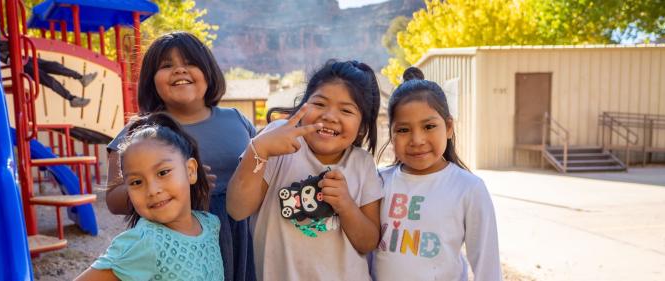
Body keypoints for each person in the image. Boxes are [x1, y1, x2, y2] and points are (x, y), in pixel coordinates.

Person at [105, 32, 256, 281]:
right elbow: (113, 199)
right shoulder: (140, 134)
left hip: (239, 234)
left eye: (190, 63)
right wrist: (169, 182)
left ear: (208, 71)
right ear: (151, 80)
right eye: (166, 66)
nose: (179, 70)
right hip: (174, 239)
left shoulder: (238, 121)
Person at [227, 60, 383, 280]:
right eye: (319, 104)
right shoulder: (277, 140)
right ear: (303, 106)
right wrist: (259, 150)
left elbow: (368, 243)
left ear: (362, 128)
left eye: (346, 110)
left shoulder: (362, 164)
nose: (329, 116)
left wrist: (346, 205)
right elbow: (237, 209)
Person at [372, 67, 502, 281]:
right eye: (403, 130)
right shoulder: (378, 181)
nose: (417, 140)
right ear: (391, 133)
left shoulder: (469, 188)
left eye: (429, 126)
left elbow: (487, 265)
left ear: (449, 127)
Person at [75, 113, 223, 281]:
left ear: (190, 171)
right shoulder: (144, 242)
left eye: (163, 172)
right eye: (137, 182)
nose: (152, 190)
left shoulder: (210, 224)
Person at [0, 41, 95, 108]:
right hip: (16, 61)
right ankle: (72, 99)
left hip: (21, 57)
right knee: (48, 80)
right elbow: (3, 50)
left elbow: (10, 44)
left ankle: (81, 77)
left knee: (53, 66)